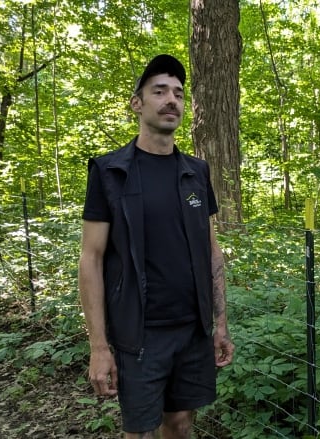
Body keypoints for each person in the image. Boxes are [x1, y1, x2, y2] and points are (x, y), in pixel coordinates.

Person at [78, 54, 234, 439]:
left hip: (193, 329)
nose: (171, 100)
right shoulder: (110, 172)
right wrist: (99, 346)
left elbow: (212, 251)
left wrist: (220, 324)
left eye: (179, 94)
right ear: (137, 103)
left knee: (180, 423)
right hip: (139, 333)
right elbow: (91, 258)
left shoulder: (196, 172)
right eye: (160, 91)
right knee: (141, 431)